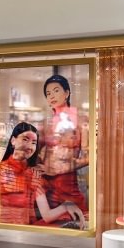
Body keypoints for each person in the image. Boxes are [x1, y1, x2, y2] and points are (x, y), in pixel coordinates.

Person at [0, 122, 85, 227]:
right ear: (13, 140)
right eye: (25, 139)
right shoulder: (0, 169)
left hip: (23, 232)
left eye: (34, 143)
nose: (29, 146)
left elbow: (47, 215)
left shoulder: (33, 175)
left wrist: (66, 206)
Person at [37, 74, 89, 223]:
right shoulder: (45, 123)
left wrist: (61, 168)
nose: (52, 96)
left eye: (56, 91)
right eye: (48, 93)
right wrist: (38, 166)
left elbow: (90, 156)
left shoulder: (81, 120)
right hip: (47, 186)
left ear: (67, 93)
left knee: (76, 223)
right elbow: (34, 152)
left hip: (69, 184)